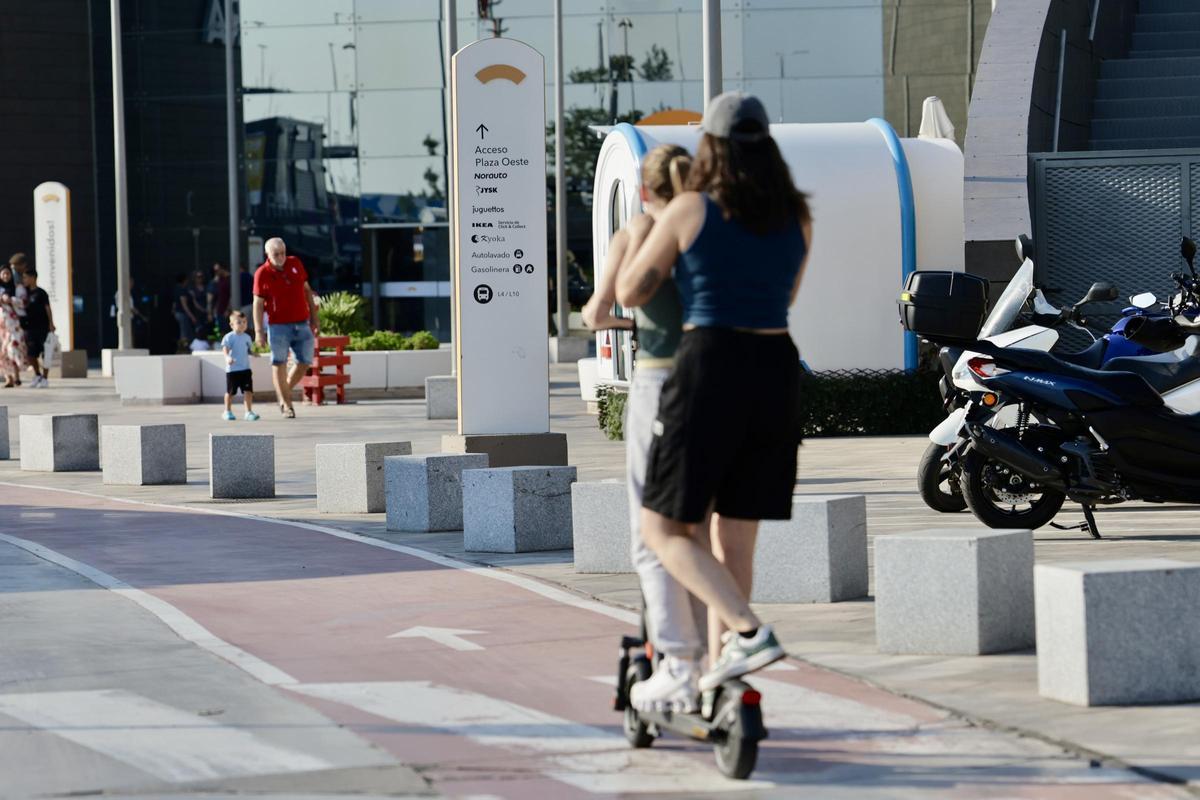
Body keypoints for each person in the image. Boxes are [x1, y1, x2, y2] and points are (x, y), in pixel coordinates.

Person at [615, 92, 812, 698]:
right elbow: (789, 297)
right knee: (736, 533)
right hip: (777, 365)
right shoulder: (799, 215)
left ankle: (748, 634)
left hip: (711, 365)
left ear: (713, 146)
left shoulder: (691, 210)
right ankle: (729, 657)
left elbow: (630, 291)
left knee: (663, 531)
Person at [583, 144, 709, 713]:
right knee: (699, 533)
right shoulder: (707, 227)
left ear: (642, 190)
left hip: (659, 380)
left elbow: (595, 311)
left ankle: (676, 661)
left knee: (650, 530)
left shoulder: (638, 230)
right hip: (712, 376)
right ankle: (708, 658)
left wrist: (628, 322)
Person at [252, 237, 318, 418]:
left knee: (305, 362)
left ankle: (284, 391)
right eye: (276, 254)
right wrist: (259, 332)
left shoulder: (295, 263)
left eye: (283, 252)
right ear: (268, 254)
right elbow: (257, 304)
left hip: (302, 322)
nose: (281, 256)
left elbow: (307, 290)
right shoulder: (262, 273)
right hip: (278, 325)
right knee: (278, 362)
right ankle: (287, 405)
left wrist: (314, 318)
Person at [221, 310, 259, 421]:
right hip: (232, 370)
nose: (242, 324)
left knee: (248, 391)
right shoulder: (229, 337)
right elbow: (225, 349)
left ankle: (248, 412)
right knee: (230, 392)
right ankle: (227, 411)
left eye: (244, 322)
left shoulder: (247, 337)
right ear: (231, 325)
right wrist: (227, 357)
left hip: (245, 369)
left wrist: (254, 353)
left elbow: (249, 350)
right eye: (239, 322)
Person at [21, 269, 53, 388]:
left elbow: (47, 308)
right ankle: (37, 375)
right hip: (29, 328)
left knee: (45, 353)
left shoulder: (41, 293)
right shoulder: (24, 293)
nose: (24, 280)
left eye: (26, 277)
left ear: (33, 278)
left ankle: (45, 378)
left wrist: (51, 323)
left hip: (42, 327)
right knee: (31, 354)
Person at [0, 265, 27, 388]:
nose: (5, 276)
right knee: (3, 353)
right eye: (3, 273)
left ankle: (17, 376)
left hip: (14, 325)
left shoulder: (17, 288)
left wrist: (11, 300)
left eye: (7, 273)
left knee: (14, 349)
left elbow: (24, 302)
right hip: (2, 326)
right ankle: (8, 378)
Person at [173, 273, 198, 346]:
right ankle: (183, 347)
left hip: (178, 313)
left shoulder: (176, 289)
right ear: (184, 280)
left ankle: (184, 346)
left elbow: (174, 303)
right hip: (182, 313)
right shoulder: (182, 289)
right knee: (184, 332)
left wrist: (174, 311)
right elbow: (184, 305)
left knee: (184, 330)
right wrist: (192, 316)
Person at [208, 262, 231, 333]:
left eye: (217, 270)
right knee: (220, 332)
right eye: (214, 271)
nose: (216, 272)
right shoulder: (217, 280)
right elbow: (211, 297)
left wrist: (228, 308)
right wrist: (210, 312)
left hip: (227, 310)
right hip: (219, 311)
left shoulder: (229, 279)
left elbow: (231, 295)